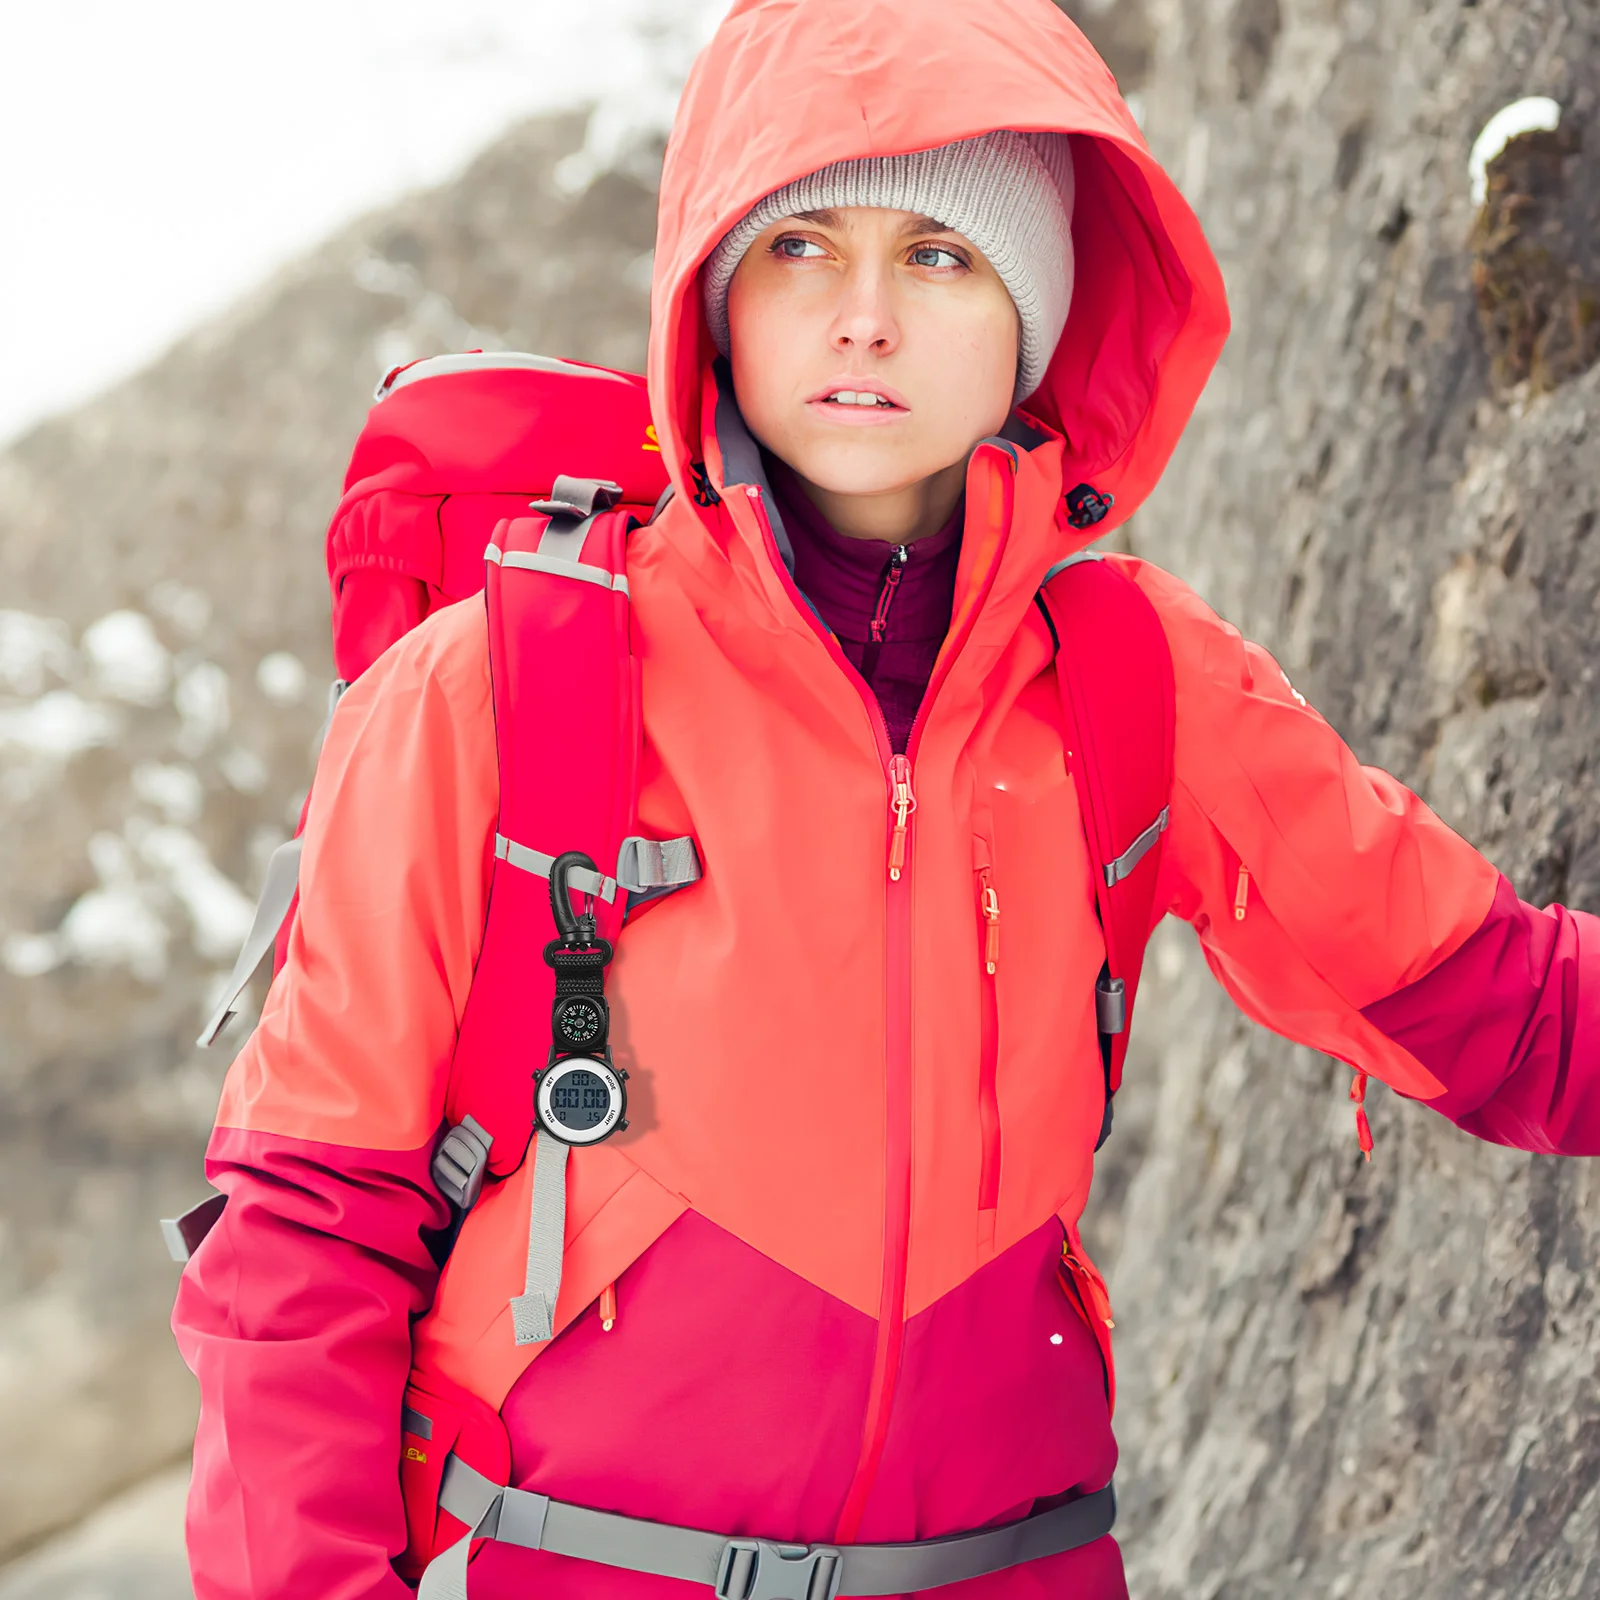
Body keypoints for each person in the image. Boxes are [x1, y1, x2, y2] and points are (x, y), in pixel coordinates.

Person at [172, 0, 1600, 1595]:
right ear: (713, 295)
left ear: (1034, 319)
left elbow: (1496, 1006)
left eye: (940, 255)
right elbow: (303, 1236)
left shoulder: (1134, 675)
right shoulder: (490, 685)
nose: (864, 317)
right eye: (798, 250)